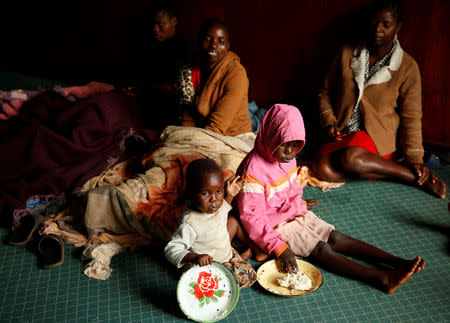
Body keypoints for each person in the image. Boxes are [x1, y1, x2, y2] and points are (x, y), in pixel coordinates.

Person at [235, 104, 425, 293]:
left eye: (296, 145)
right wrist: (279, 248)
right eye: (283, 144)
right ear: (269, 136)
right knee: (321, 249)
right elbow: (253, 218)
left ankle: (396, 262)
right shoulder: (253, 171)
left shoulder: (288, 159)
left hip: (294, 214)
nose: (290, 152)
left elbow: (293, 187)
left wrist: (298, 204)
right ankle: (382, 278)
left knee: (335, 236)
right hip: (275, 228)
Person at [312, 0, 446, 199]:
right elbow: (324, 92)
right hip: (343, 133)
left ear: (398, 27)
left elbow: (412, 117)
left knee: (351, 158)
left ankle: (411, 176)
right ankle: (389, 171)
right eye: (374, 23)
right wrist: (329, 121)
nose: (378, 29)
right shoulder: (347, 52)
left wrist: (415, 159)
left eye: (386, 24)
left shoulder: (407, 67)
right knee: (322, 169)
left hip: (375, 140)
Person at [164, 158, 261, 288]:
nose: (214, 199)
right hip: (207, 265)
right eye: (205, 193)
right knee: (221, 285)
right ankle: (242, 258)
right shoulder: (190, 223)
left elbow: (224, 208)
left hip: (224, 252)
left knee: (232, 222)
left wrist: (230, 195)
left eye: (219, 191)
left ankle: (239, 257)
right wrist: (195, 257)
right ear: (191, 193)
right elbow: (171, 249)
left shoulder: (214, 206)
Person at [176, 18, 252, 136]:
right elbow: (188, 117)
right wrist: (184, 136)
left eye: (221, 41)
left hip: (232, 135)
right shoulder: (191, 69)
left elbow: (217, 126)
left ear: (228, 46)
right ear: (199, 40)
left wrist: (193, 145)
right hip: (202, 131)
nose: (213, 45)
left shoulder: (236, 73)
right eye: (208, 39)